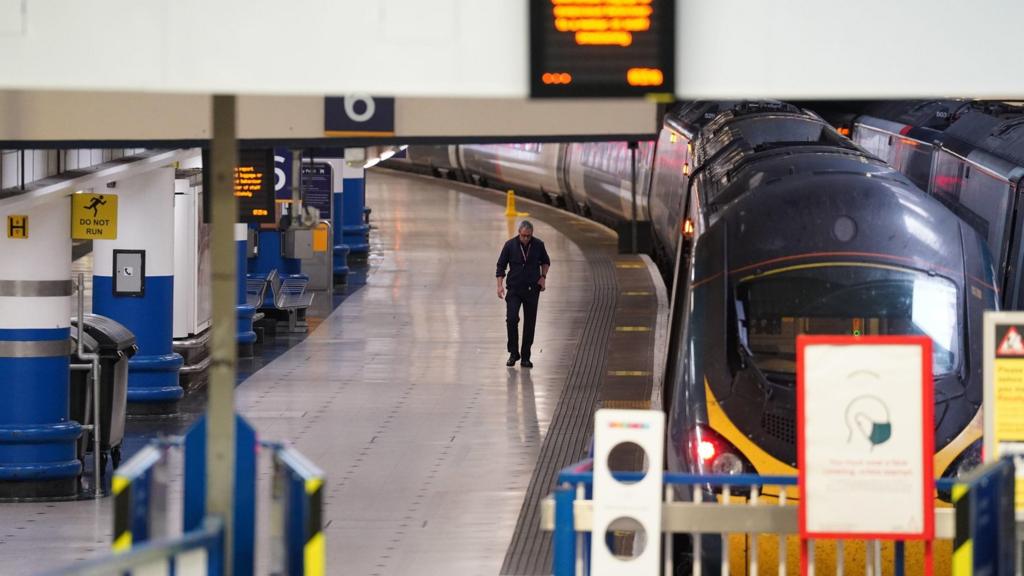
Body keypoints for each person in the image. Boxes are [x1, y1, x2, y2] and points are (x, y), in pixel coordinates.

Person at [496, 220, 550, 368]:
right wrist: (500, 286)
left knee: (530, 323)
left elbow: (546, 262)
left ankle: (526, 356)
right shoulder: (510, 245)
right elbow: (500, 266)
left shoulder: (538, 245)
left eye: (528, 236)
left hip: (532, 289)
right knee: (512, 319)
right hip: (514, 289)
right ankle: (513, 353)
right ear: (519, 233)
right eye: (523, 236)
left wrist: (543, 278)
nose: (526, 239)